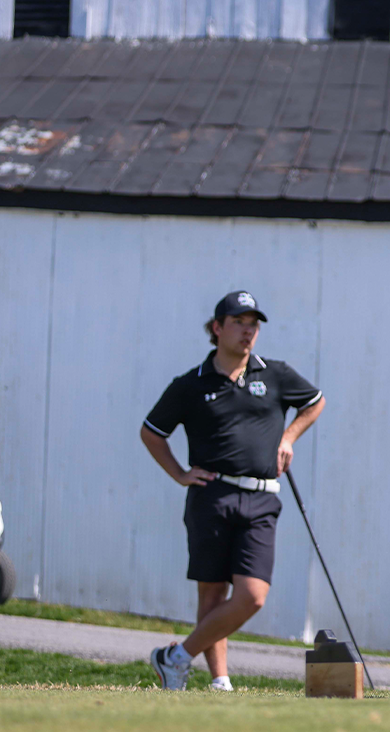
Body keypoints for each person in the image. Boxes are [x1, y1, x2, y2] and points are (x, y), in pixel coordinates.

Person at [139, 290, 325, 691]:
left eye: (253, 324)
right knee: (211, 596)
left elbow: (315, 402)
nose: (247, 331)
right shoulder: (190, 384)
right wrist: (179, 474)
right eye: (238, 322)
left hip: (262, 498)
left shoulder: (275, 374)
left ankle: (175, 657)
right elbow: (152, 432)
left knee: (252, 596)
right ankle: (219, 681)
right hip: (212, 496)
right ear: (217, 328)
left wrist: (289, 437)